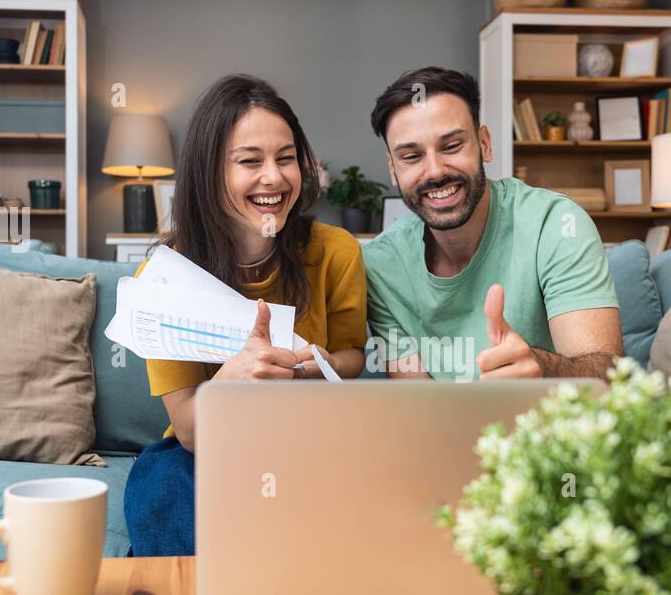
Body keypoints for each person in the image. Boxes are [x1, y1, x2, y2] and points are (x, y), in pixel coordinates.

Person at [124, 74, 367, 557]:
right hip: (207, 450)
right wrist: (227, 386)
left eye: (286, 157)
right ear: (210, 173)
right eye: (249, 161)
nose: (274, 177)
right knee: (162, 485)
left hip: (308, 437)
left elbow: (353, 355)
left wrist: (319, 365)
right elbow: (191, 431)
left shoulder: (336, 251)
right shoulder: (164, 277)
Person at [363, 66, 622, 382]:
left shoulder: (555, 224)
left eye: (451, 146)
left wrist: (544, 369)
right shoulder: (380, 265)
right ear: (393, 168)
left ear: (484, 143)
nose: (434, 171)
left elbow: (608, 378)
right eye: (411, 156)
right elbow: (418, 405)